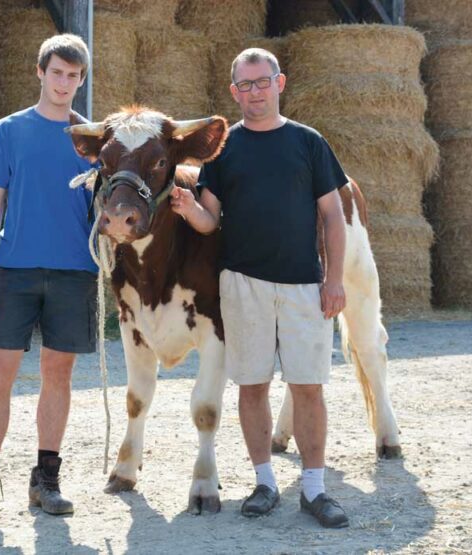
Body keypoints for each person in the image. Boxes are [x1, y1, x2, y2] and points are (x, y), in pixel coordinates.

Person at [169, 48, 350, 528]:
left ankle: (314, 489)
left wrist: (333, 279)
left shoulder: (309, 143)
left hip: (303, 285)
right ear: (233, 92)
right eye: (244, 85)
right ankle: (265, 483)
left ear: (280, 82)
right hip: (242, 282)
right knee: (252, 385)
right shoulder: (225, 149)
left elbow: (332, 216)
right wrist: (188, 209)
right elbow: (210, 221)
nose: (254, 92)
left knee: (308, 386)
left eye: (261, 82)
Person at [0, 34, 97, 522]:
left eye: (73, 75)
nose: (64, 83)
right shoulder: (10, 130)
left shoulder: (95, 138)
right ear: (40, 73)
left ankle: (47, 479)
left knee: (57, 377)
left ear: (82, 80)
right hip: (14, 269)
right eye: (56, 72)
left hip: (75, 272)